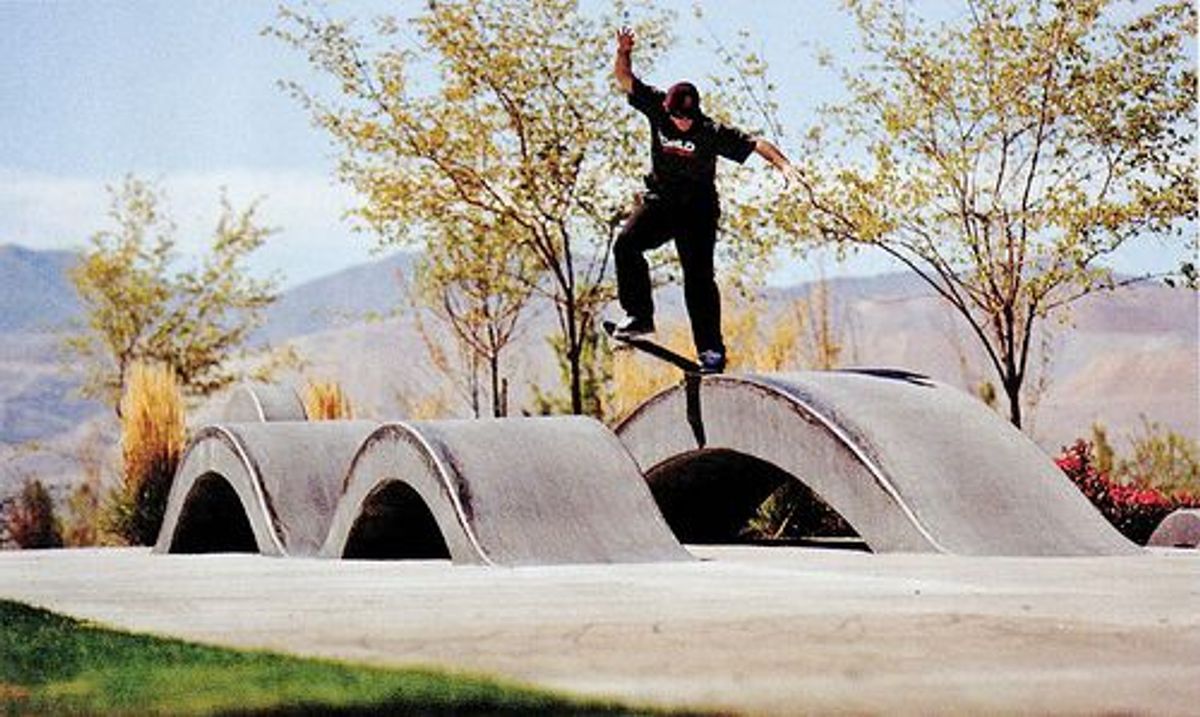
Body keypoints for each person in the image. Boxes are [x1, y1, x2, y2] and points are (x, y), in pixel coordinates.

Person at [611, 26, 802, 373]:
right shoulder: (657, 107)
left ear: (695, 113)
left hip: (697, 212)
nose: (681, 124)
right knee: (626, 244)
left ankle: (711, 351)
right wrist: (624, 51)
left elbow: (754, 143)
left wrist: (784, 166)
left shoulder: (710, 131)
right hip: (661, 203)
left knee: (698, 277)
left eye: (686, 118)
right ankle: (639, 315)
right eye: (676, 118)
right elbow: (624, 79)